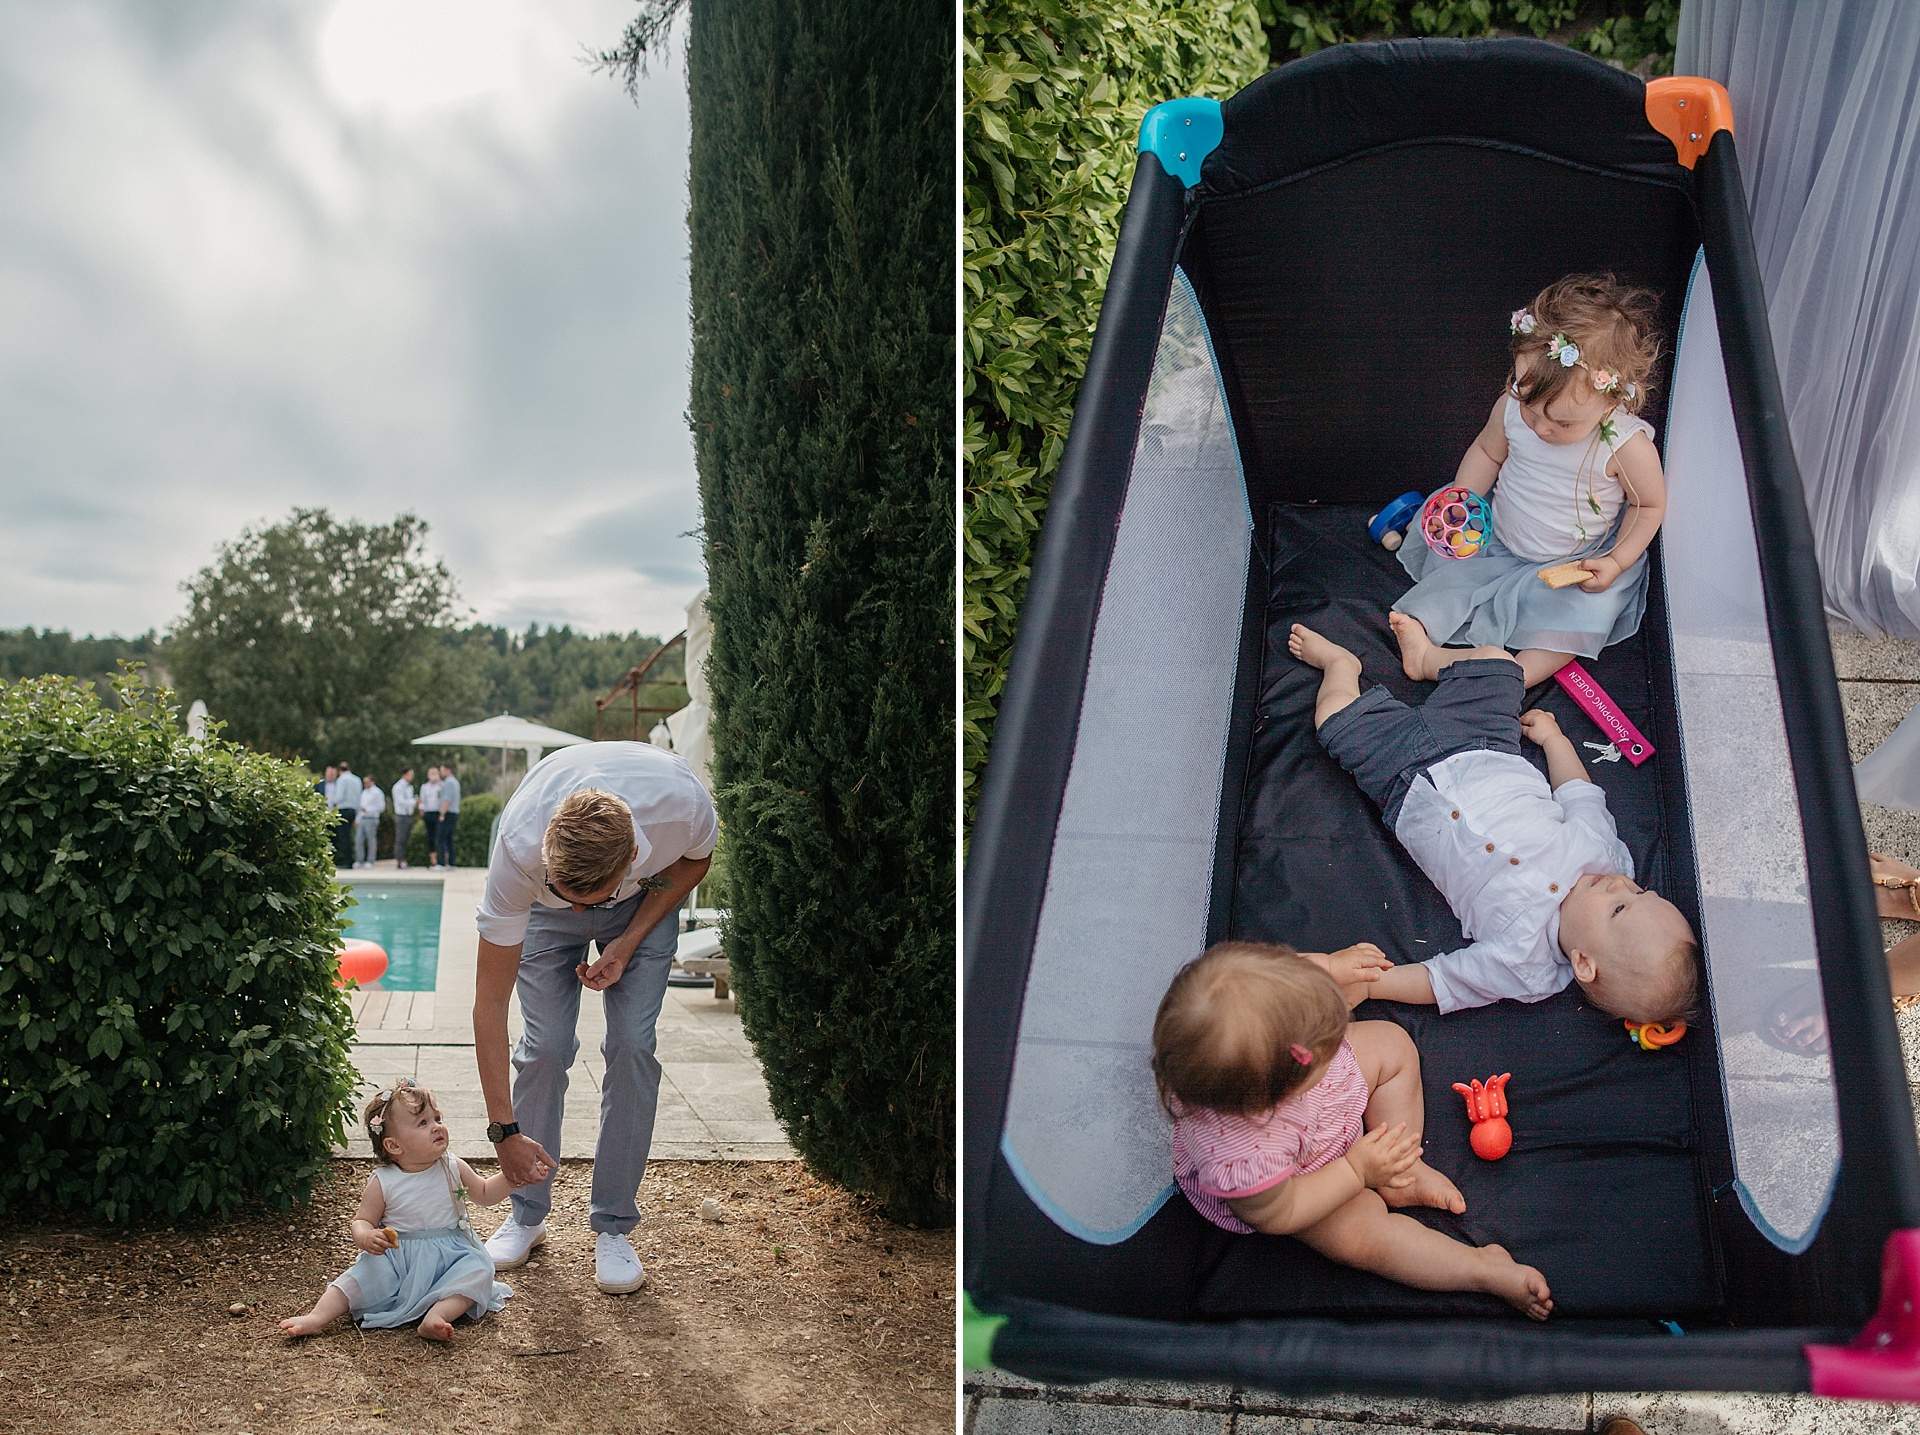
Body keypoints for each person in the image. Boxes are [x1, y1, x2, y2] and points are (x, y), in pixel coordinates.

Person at [1289, 623, 1698, 1022]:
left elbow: (1445, 981)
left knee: (1333, 719)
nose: (1621, 884)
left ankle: (1339, 666)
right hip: (1483, 743)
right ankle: (1428, 658)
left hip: (1403, 784)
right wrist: (1556, 741)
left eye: (1620, 907)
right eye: (1642, 890)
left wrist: (1373, 984)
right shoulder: (1605, 856)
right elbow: (1579, 794)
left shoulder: (1525, 965)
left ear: (1584, 964)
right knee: (1498, 664)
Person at [1153, 940, 1552, 1319]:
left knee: (1392, 1044)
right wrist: (1355, 1171)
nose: (1340, 1032)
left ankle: (1401, 1173)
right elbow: (1279, 1212)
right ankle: (1480, 1268)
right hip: (1305, 1181)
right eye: (1326, 1042)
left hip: (1319, 1103)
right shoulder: (1242, 1158)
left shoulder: (1246, 997)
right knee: (1365, 1237)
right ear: (1286, 1089)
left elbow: (1284, 975)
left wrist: (1328, 966)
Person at [472, 742, 716, 1296]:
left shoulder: (683, 811)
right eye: (570, 895)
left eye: (591, 899)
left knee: (632, 1044)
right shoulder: (518, 853)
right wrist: (502, 1132)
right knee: (547, 1048)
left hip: (639, 909)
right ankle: (527, 1217)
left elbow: (696, 861)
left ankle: (613, 1225)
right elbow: (489, 1005)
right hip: (541, 915)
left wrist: (628, 942)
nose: (583, 913)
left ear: (633, 856)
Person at [1390, 276, 1669, 688]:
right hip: (1497, 538)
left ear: (1612, 399)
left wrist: (1615, 561)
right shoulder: (1511, 409)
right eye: (1528, 404)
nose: (1538, 426)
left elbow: (1648, 505)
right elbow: (1488, 453)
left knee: (1578, 621)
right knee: (1448, 585)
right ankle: (1423, 646)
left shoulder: (1624, 447)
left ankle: (1509, 678)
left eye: (1561, 422)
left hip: (1571, 564)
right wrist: (1465, 497)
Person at [278, 1080, 517, 1341]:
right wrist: (366, 1237)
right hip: (398, 1258)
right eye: (423, 1123)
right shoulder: (384, 1181)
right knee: (357, 1279)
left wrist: (514, 1176)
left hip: (451, 1256)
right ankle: (317, 1317)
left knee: (478, 1271)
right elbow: (362, 1221)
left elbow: (483, 1193)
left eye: (437, 1118)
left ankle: (437, 1316)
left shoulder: (451, 1166)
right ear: (394, 1146)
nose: (437, 1126)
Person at [331, 762, 362, 870]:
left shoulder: (342, 780)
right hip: (353, 810)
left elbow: (339, 797)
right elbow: (359, 797)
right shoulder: (357, 780)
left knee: (343, 837)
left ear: (340, 771)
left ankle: (347, 861)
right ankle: (351, 859)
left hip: (343, 809)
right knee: (349, 836)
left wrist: (332, 801)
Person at [356, 777, 386, 870]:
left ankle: (370, 860)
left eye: (367, 782)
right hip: (362, 818)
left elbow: (381, 807)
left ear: (372, 782)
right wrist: (357, 819)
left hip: (372, 818)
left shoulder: (377, 792)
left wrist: (368, 810)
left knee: (371, 840)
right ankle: (360, 859)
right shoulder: (364, 792)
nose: (365, 784)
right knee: (359, 840)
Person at [435, 766, 461, 869]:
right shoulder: (453, 782)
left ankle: (442, 863)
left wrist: (442, 814)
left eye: (442, 770)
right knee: (449, 838)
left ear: (448, 770)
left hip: (448, 813)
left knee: (442, 837)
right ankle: (451, 863)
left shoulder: (449, 782)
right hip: (453, 813)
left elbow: (447, 799)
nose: (441, 773)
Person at [392, 768, 417, 869]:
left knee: (406, 838)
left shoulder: (409, 788)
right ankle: (399, 860)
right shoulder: (398, 787)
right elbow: (401, 801)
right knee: (400, 838)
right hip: (401, 815)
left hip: (408, 815)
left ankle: (404, 859)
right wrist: (414, 802)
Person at [420, 767, 444, 869]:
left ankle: (441, 860)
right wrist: (422, 813)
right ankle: (433, 861)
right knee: (430, 838)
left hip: (438, 813)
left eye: (435, 773)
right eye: (431, 773)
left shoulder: (442, 786)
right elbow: (422, 801)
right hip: (428, 813)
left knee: (439, 836)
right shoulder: (425, 787)